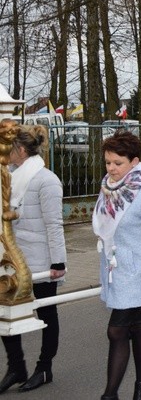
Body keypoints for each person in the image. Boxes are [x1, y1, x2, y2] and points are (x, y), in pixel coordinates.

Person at [94, 130, 141, 400]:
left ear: (134, 162)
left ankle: (109, 395)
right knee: (137, 326)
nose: (111, 168)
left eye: (118, 163)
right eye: (108, 162)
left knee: (116, 331)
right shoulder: (110, 187)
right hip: (116, 270)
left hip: (138, 273)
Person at [0, 125, 65, 394]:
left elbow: (54, 224)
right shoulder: (9, 177)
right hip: (11, 257)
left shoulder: (46, 180)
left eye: (7, 148)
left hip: (41, 260)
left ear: (21, 150)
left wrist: (58, 263)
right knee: (5, 312)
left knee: (46, 312)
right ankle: (17, 367)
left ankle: (44, 367)